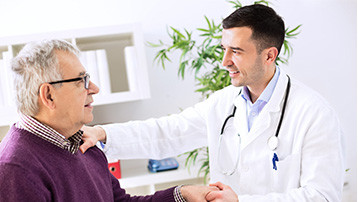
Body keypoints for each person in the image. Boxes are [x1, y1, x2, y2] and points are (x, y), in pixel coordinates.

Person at [80, 4, 345, 202]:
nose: (225, 61)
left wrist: (241, 201)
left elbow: (323, 195)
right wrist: (104, 134)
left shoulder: (314, 114)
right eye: (224, 49)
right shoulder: (223, 103)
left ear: (269, 55)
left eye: (237, 51)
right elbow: (168, 132)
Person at [0, 39, 218, 202]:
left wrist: (182, 195)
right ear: (48, 95)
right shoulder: (15, 169)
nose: (94, 88)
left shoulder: (81, 143)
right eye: (82, 80)